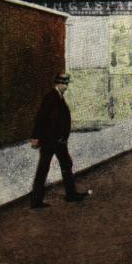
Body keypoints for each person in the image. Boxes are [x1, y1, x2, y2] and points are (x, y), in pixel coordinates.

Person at [30, 72, 88, 209]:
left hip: (57, 140)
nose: (66, 87)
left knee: (60, 165)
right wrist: (35, 137)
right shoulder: (51, 96)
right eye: (64, 84)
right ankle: (66, 196)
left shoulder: (58, 96)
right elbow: (40, 118)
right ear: (58, 83)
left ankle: (41, 200)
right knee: (49, 168)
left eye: (67, 84)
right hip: (52, 140)